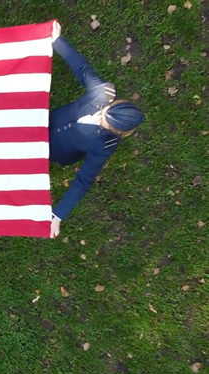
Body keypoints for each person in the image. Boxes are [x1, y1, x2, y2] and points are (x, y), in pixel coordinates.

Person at [48, 21, 143, 238]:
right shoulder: (103, 92)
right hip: (47, 121)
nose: (98, 118)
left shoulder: (107, 144)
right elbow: (82, 69)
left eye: (105, 123)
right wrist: (57, 41)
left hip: (55, 151)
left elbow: (84, 180)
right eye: (104, 113)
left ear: (119, 132)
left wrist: (58, 215)